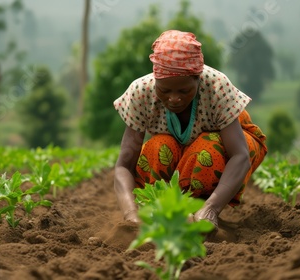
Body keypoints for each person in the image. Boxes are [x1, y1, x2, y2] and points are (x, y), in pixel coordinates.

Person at [113, 30, 267, 231]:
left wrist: (212, 208)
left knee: (207, 149)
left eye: (184, 91)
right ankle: (165, 211)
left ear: (198, 79)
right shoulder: (141, 93)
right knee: (158, 147)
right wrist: (131, 214)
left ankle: (202, 211)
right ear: (155, 80)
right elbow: (123, 165)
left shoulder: (216, 86)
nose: (174, 98)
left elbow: (240, 156)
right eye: (165, 91)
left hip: (222, 151)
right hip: (178, 157)